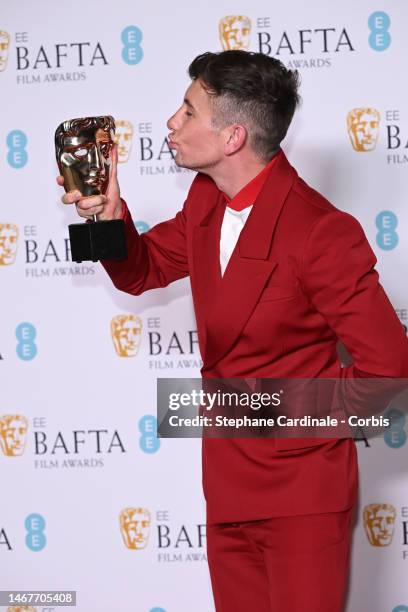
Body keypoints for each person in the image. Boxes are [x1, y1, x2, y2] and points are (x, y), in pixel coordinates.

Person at [58, 50, 408, 611]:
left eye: (188, 111)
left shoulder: (321, 231)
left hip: (303, 494)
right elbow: (142, 271)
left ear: (232, 137)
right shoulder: (205, 201)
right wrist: (105, 215)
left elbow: (390, 367)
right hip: (226, 487)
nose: (171, 123)